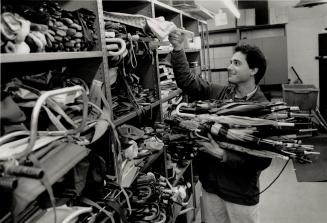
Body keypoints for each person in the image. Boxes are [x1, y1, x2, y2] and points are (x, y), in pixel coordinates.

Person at [168, 30, 272, 223]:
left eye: (236, 63)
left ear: (253, 71)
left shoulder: (262, 110)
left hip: (240, 193)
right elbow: (188, 82)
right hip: (212, 187)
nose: (229, 67)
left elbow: (263, 159)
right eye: (230, 62)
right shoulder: (220, 94)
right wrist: (178, 49)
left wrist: (223, 155)